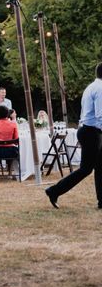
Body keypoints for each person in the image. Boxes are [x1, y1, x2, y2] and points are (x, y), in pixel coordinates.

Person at [45, 63, 102, 209]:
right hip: (91, 132)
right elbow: (100, 115)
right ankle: (54, 191)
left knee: (100, 166)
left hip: (88, 130)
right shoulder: (100, 88)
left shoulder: (91, 86)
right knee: (86, 169)